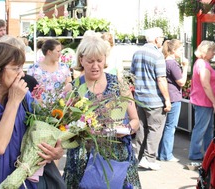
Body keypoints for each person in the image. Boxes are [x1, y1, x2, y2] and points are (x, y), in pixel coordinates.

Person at [0, 42, 63, 189]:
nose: (22, 74)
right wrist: (13, 102)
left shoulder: (24, 97)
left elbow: (46, 130)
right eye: (16, 68)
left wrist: (57, 150)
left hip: (24, 180)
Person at [63, 35, 141, 188]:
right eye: (90, 61)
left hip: (117, 159)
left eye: (99, 60)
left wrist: (125, 129)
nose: (95, 66)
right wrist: (81, 129)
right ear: (81, 60)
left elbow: (135, 121)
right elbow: (63, 127)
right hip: (82, 162)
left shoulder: (119, 85)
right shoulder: (72, 88)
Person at [131, 27, 170, 171]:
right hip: (155, 99)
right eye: (161, 37)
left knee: (142, 128)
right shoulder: (157, 55)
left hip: (140, 97)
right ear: (156, 39)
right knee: (155, 129)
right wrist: (167, 99)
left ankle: (139, 157)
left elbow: (133, 74)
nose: (163, 40)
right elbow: (161, 79)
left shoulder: (137, 53)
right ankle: (149, 158)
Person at [188, 40, 215, 161]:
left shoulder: (202, 63)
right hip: (204, 102)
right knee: (201, 128)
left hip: (204, 101)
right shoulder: (203, 64)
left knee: (207, 128)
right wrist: (213, 102)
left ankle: (208, 152)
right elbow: (205, 84)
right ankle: (195, 153)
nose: (214, 53)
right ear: (206, 51)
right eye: (212, 50)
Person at [158, 39, 188, 162]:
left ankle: (161, 152)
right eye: (180, 49)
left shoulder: (164, 62)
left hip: (167, 96)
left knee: (165, 126)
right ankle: (166, 154)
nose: (182, 52)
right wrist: (185, 67)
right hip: (174, 97)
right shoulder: (172, 63)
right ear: (173, 50)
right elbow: (181, 82)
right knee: (171, 126)